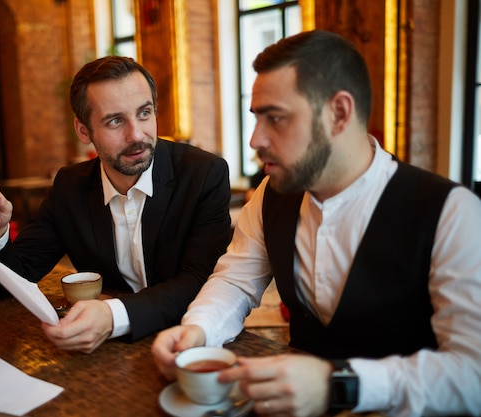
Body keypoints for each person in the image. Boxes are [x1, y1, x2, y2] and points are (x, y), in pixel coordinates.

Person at [152, 30, 481, 417]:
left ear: (339, 113)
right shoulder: (271, 196)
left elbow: (472, 374)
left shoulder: (452, 212)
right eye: (256, 118)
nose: (255, 139)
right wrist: (199, 330)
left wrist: (341, 384)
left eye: (275, 118)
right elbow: (235, 281)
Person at [0, 56, 232, 353]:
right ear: (83, 131)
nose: (136, 135)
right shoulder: (71, 186)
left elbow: (201, 282)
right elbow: (11, 284)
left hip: (191, 345)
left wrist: (113, 316)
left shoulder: (203, 174)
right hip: (108, 355)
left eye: (144, 113)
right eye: (115, 121)